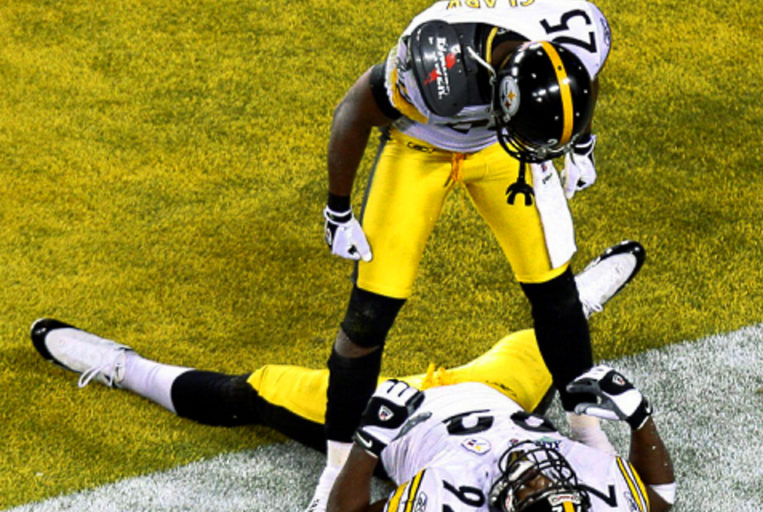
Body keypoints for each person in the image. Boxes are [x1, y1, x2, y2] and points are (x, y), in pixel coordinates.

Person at [30, 243, 674, 512]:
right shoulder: (591, 499)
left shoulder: (449, 502)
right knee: (551, 342)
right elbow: (661, 496)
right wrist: (639, 417)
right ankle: (576, 303)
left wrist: (367, 443)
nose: (542, 469)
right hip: (498, 392)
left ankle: (122, 367)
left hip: (401, 417)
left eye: (533, 486)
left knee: (250, 393)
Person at [319, 0, 614, 499]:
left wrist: (579, 142)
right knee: (370, 314)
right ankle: (339, 461)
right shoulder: (436, 67)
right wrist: (338, 207)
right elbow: (353, 110)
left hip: (496, 147)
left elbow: (580, 75)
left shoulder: (578, 33)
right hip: (421, 146)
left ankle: (587, 430)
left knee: (556, 294)